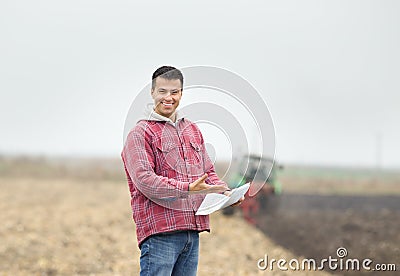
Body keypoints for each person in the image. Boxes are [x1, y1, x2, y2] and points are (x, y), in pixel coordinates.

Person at [121, 66, 243, 275]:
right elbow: (145, 181)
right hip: (160, 234)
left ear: (181, 94)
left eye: (174, 92)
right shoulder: (140, 133)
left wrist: (224, 192)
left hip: (192, 233)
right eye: (162, 91)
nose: (168, 97)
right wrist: (188, 188)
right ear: (152, 93)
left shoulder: (192, 130)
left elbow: (207, 171)